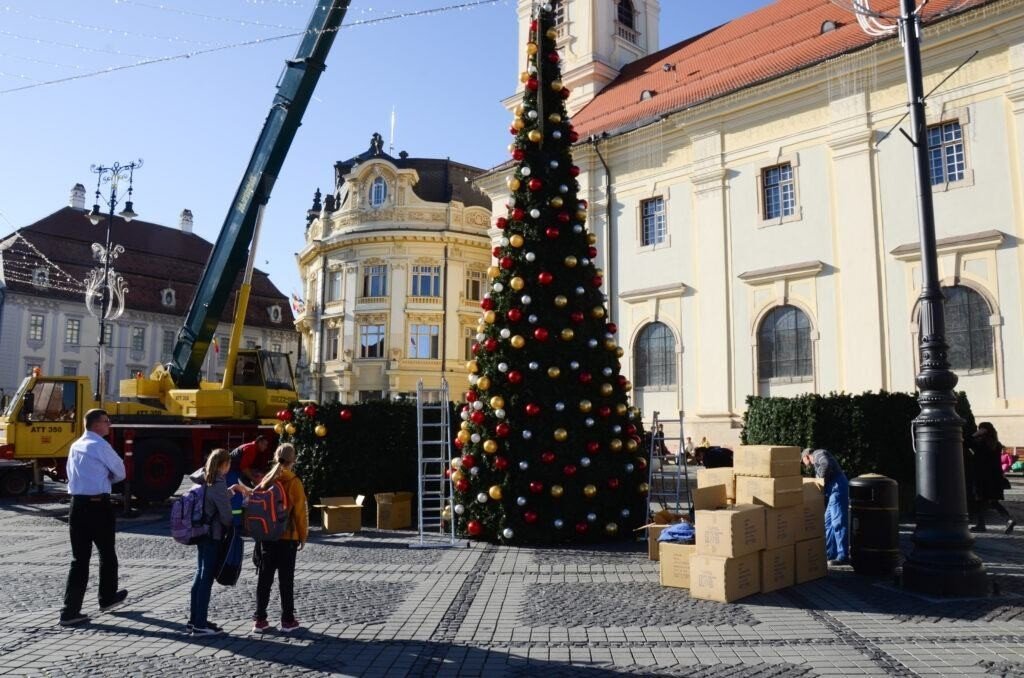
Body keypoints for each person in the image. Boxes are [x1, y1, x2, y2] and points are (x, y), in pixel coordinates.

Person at [60, 409, 128, 627]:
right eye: (107, 421)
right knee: (107, 553)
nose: (109, 425)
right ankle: (107, 598)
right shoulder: (99, 445)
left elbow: (71, 473)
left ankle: (70, 610)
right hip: (98, 506)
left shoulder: (75, 445)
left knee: (79, 560)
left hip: (77, 506)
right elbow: (120, 471)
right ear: (96, 424)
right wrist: (107, 477)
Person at [248, 443, 308, 633]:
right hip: (287, 536)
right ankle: (287, 620)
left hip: (266, 535)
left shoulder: (267, 479)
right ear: (294, 460)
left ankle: (260, 619)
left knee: (264, 579)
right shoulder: (294, 482)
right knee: (286, 580)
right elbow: (300, 513)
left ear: (275, 457)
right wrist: (303, 536)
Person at [186, 448, 246, 636]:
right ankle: (200, 624)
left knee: (199, 574)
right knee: (206, 578)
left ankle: (194, 619)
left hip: (201, 532)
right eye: (228, 464)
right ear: (223, 465)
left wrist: (231, 491)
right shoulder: (218, 482)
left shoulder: (204, 479)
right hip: (213, 535)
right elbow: (226, 516)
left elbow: (211, 500)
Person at [802, 448, 850, 567]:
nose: (804, 465)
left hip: (837, 488)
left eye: (803, 461)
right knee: (827, 523)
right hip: (833, 489)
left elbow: (826, 464)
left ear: (806, 456)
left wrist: (820, 481)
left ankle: (843, 556)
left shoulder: (818, 454)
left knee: (838, 522)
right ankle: (830, 554)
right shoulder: (816, 461)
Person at [969, 422, 1015, 534]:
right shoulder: (996, 444)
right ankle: (1008, 519)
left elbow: (966, 442)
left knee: (981, 500)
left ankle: (982, 525)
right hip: (995, 477)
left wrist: (975, 434)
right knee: (992, 501)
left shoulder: (980, 443)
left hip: (982, 476)